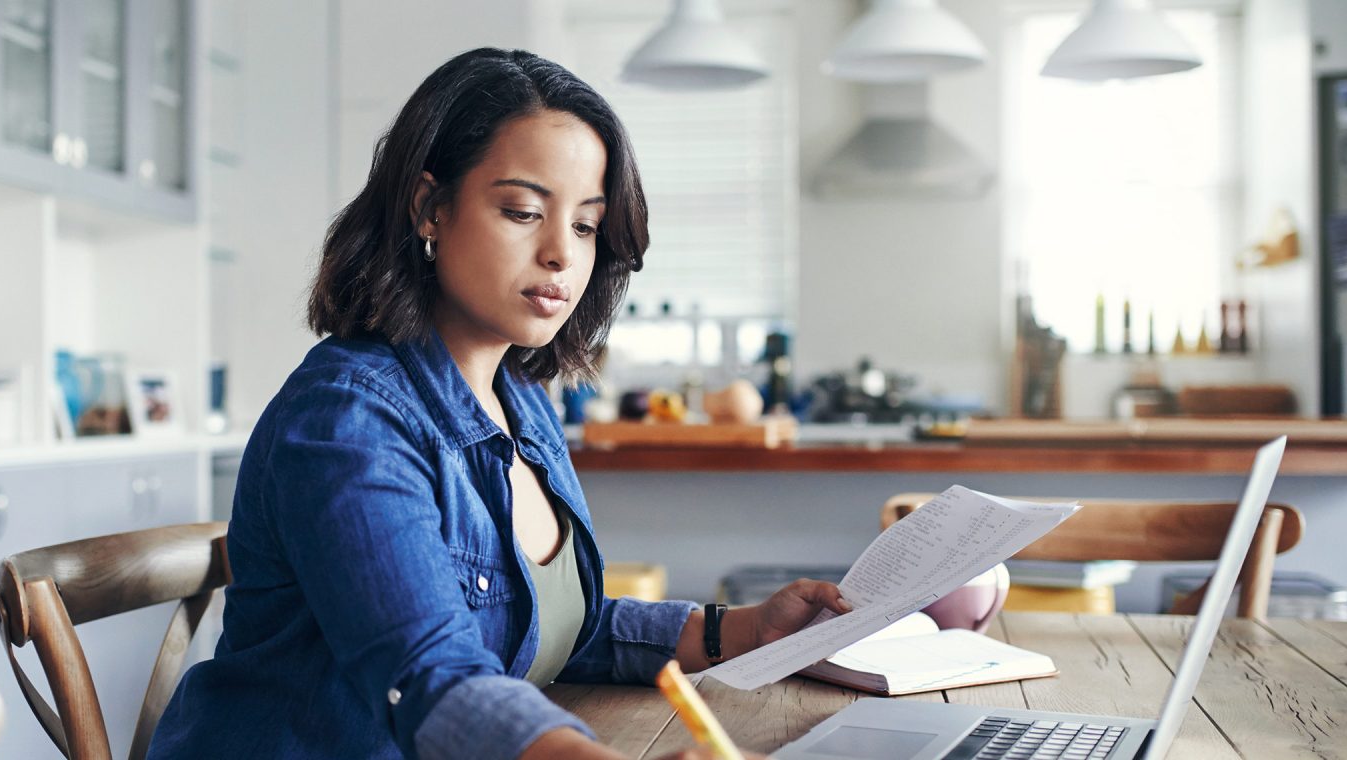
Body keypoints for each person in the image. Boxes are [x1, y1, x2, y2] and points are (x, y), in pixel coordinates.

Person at [147, 47, 849, 760]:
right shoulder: (348, 421)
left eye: (584, 225)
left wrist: (741, 629)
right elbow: (433, 675)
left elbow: (547, 626)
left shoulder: (522, 402)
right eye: (522, 211)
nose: (561, 255)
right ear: (430, 207)